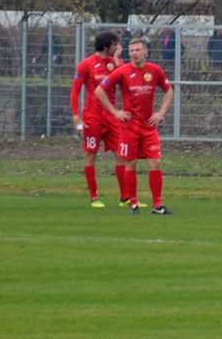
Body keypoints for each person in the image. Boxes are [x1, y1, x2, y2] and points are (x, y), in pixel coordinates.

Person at [95, 36, 174, 215]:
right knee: (130, 163)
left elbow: (169, 90)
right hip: (129, 128)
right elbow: (99, 91)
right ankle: (133, 203)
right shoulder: (122, 71)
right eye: (131, 51)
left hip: (148, 127)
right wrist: (115, 112)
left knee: (156, 162)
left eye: (138, 50)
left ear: (146, 52)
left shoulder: (154, 70)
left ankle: (157, 205)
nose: (134, 53)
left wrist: (161, 112)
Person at [70, 31, 127, 208]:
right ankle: (94, 197)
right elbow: (75, 91)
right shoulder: (86, 64)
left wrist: (116, 60)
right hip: (92, 116)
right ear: (106, 46)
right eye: (115, 45)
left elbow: (125, 79)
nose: (118, 48)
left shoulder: (117, 63)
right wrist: (76, 117)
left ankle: (125, 198)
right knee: (91, 154)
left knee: (121, 154)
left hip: (112, 116)